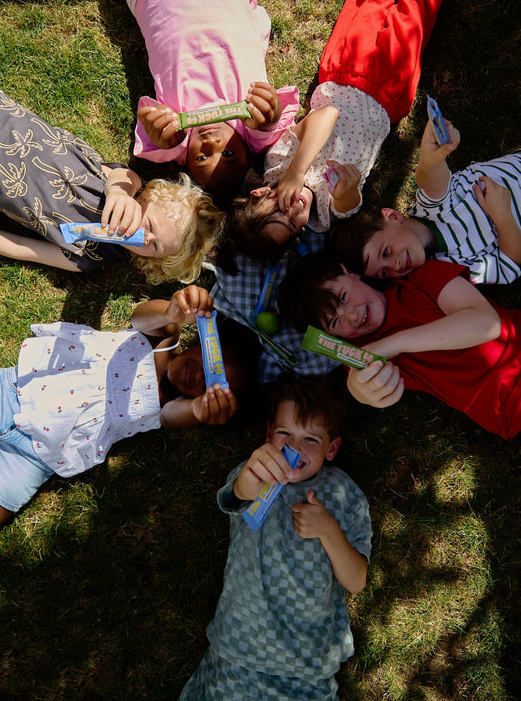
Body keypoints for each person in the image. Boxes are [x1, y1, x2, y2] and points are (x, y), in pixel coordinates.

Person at [221, 0, 462, 262]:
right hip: (388, 94)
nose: (291, 210)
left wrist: (295, 174)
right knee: (417, 4)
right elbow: (349, 203)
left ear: (260, 195)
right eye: (290, 225)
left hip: (344, 70)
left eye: (276, 211)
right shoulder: (324, 218)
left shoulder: (277, 165)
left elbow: (327, 114)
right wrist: (346, 192)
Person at [0, 285, 246, 535]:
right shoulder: (163, 339)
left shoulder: (168, 406)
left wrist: (199, 410)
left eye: (213, 385)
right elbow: (140, 317)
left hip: (36, 454)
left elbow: (172, 417)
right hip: (13, 390)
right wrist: (171, 311)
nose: (202, 376)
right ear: (203, 343)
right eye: (213, 364)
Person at [178, 376, 372, 701]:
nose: (295, 447)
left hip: (308, 659)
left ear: (332, 448)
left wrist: (328, 529)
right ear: (269, 434)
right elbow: (238, 496)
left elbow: (356, 582)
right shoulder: (255, 472)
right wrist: (249, 481)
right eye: (285, 434)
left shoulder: (344, 494)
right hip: (240, 645)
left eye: (311, 438)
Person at [112, 0, 299, 201]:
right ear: (248, 155)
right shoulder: (252, 129)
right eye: (228, 154)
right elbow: (271, 122)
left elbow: (156, 128)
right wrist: (268, 115)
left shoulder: (176, 140)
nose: (211, 142)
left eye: (202, 158)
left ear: (184, 161)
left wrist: (164, 133)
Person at [0, 82, 223, 283]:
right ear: (148, 198)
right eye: (149, 226)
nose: (145, 237)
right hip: (1, 115)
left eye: (155, 247)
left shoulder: (90, 257)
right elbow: (124, 179)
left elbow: (22, 248)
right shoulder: (125, 184)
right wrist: (118, 195)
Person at [277, 253, 521, 440]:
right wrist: (359, 391)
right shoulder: (360, 355)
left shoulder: (419, 278)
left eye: (343, 297)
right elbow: (364, 386)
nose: (353, 316)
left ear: (349, 272)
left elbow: (487, 324)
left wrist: (394, 344)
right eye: (335, 321)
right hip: (508, 409)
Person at [326, 118, 521, 284]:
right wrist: (503, 217)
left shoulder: (431, 209)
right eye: (384, 273)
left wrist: (432, 155)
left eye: (385, 252)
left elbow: (431, 179)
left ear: (393, 216)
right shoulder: (451, 266)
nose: (395, 266)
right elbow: (509, 263)